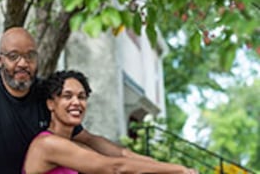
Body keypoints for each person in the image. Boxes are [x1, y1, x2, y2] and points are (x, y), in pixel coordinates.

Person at [0, 27, 140, 174]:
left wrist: (137, 159)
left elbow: (89, 140)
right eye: (13, 56)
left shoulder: (44, 93)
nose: (23, 63)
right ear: (1, 60)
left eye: (30, 56)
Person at [23, 70, 196, 174]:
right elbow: (115, 168)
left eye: (82, 97)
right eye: (67, 96)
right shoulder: (47, 144)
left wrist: (177, 169)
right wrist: (178, 170)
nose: (76, 102)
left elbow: (124, 156)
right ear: (51, 104)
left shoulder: (75, 143)